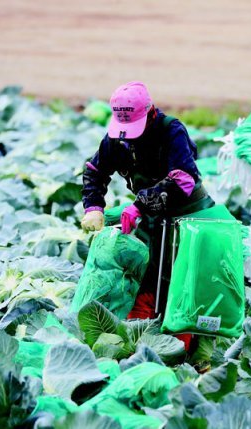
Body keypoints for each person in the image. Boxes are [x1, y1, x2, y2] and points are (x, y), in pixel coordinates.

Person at [80, 81, 214, 349]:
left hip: (187, 215)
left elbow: (183, 180)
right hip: (150, 217)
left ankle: (187, 345)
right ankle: (141, 336)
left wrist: (139, 205)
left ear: (150, 112)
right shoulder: (116, 139)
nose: (129, 136)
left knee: (181, 279)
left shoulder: (170, 130)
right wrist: (93, 206)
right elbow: (95, 171)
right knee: (143, 274)